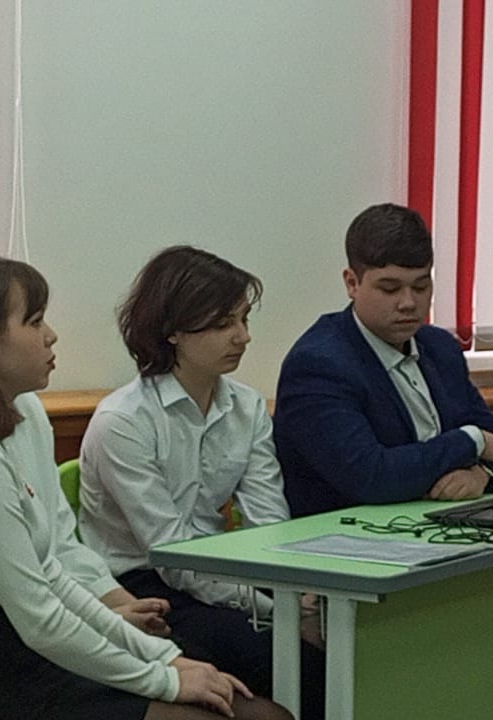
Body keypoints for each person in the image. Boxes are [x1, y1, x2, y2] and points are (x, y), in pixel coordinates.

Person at [0, 252, 290, 720]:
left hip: (21, 640)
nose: (51, 335)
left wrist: (165, 658)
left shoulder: (0, 426)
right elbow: (38, 615)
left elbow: (51, 567)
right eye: (35, 321)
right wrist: (165, 677)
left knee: (248, 703)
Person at [80, 246, 325, 720]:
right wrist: (276, 610)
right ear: (172, 331)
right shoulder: (124, 422)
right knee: (283, 656)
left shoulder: (247, 407)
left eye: (244, 320)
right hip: (139, 587)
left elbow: (269, 523)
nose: (243, 337)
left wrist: (293, 594)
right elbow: (172, 555)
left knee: (333, 643)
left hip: (220, 572)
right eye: (222, 324)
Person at [274, 202, 493, 517]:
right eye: (390, 289)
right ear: (352, 283)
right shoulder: (318, 365)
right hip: (349, 534)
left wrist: (481, 474)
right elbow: (371, 476)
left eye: (421, 286)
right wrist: (471, 441)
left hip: (443, 525)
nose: (408, 303)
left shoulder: (440, 348)